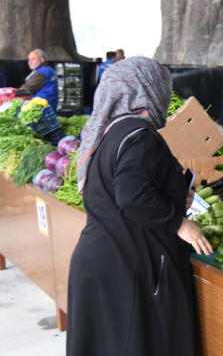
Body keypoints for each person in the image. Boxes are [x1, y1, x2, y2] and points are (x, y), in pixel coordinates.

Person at [67, 57, 211, 356]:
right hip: (126, 269)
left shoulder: (107, 134)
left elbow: (114, 189)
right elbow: (132, 196)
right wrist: (181, 224)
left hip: (102, 260)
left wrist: (173, 195)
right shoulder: (139, 137)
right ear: (149, 89)